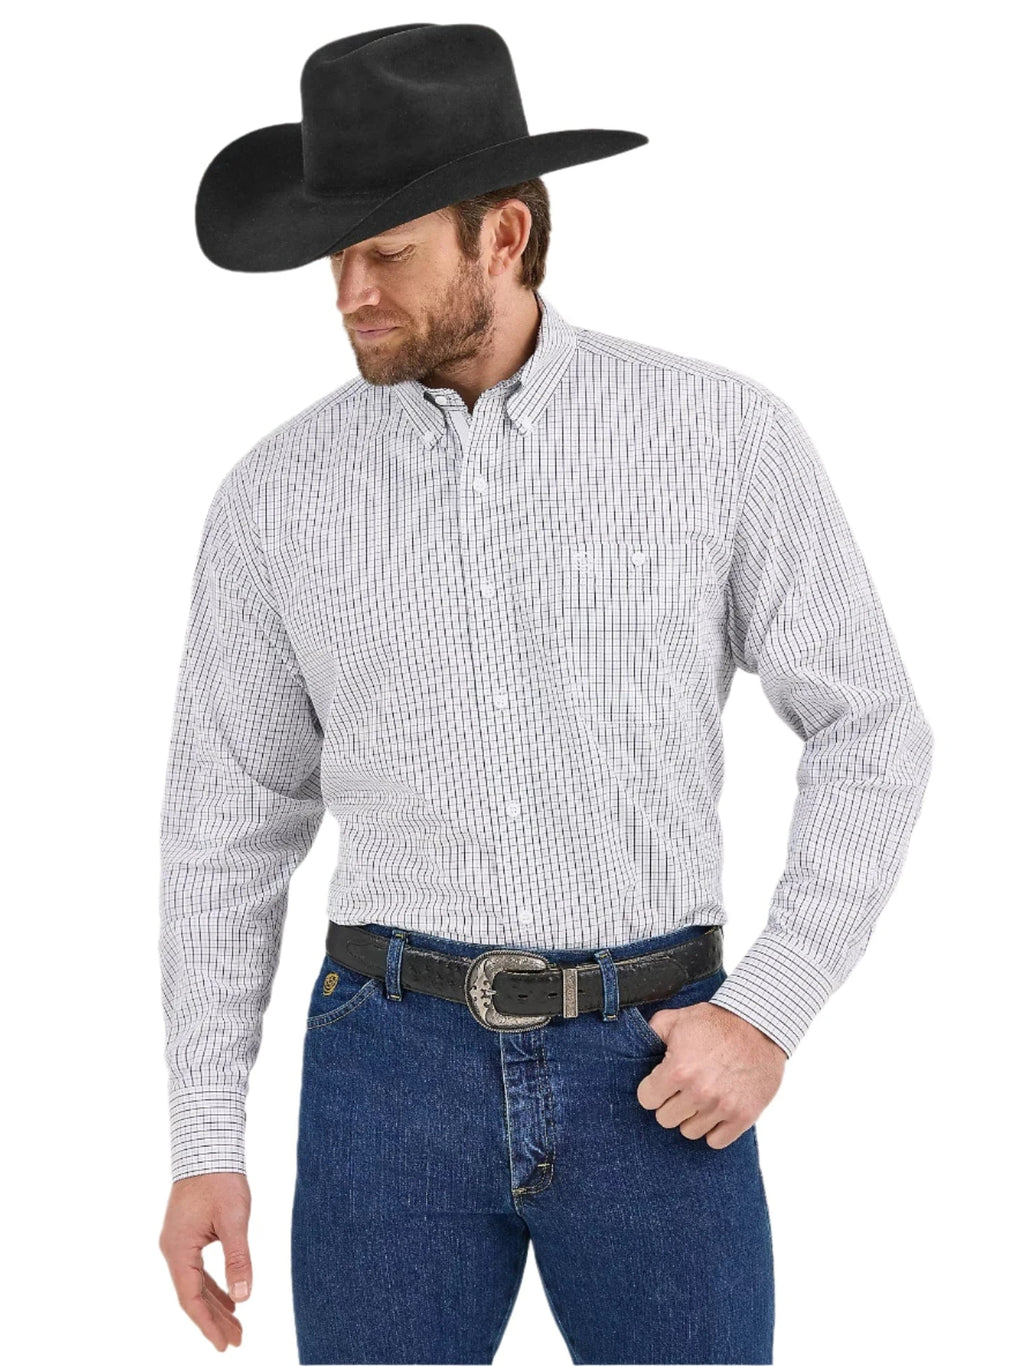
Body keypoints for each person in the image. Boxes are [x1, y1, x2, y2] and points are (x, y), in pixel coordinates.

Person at [157, 23, 934, 1366]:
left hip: (656, 1069)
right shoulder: (275, 498)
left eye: (387, 252)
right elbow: (224, 828)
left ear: (504, 235)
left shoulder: (719, 437)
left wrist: (770, 1007)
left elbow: (873, 726)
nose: (350, 293)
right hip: (384, 1075)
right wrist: (203, 1139)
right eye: (335, 258)